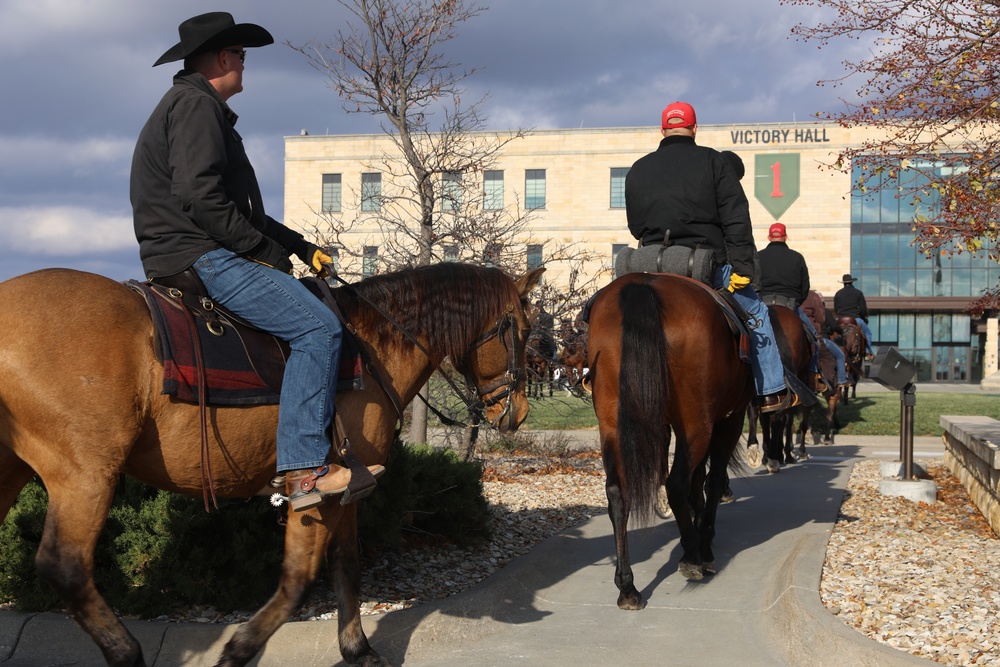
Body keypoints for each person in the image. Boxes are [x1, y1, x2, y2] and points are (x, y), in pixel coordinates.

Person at [131, 12, 382, 512]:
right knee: (319, 329)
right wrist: (261, 252)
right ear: (223, 58)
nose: (246, 65)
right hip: (201, 254)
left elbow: (239, 208)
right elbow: (201, 197)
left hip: (195, 246)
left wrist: (296, 244)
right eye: (242, 56)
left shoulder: (195, 106)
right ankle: (305, 469)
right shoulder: (195, 107)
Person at [625, 101, 795, 413]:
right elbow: (736, 219)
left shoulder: (638, 168)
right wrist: (743, 267)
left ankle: (593, 374)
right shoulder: (713, 162)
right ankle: (770, 391)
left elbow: (635, 226)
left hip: (648, 265)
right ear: (694, 128)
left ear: (662, 130)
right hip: (704, 265)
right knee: (756, 312)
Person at [756, 222, 821, 382]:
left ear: (769, 237)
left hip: (763, 306)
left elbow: (753, 284)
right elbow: (805, 288)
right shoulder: (797, 257)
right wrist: (796, 302)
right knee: (813, 338)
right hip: (790, 305)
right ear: (785, 237)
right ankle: (814, 376)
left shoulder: (757, 256)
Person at [802, 290, 850, 390]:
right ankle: (842, 380)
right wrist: (840, 332)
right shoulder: (825, 311)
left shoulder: (799, 310)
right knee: (840, 355)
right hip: (822, 338)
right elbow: (833, 325)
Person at [834, 274, 875, 358]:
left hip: (840, 319)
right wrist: (863, 318)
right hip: (855, 319)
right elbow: (863, 309)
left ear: (843, 283)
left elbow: (836, 309)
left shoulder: (838, 293)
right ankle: (868, 353)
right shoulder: (858, 293)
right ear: (852, 282)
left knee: (831, 332)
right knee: (868, 333)